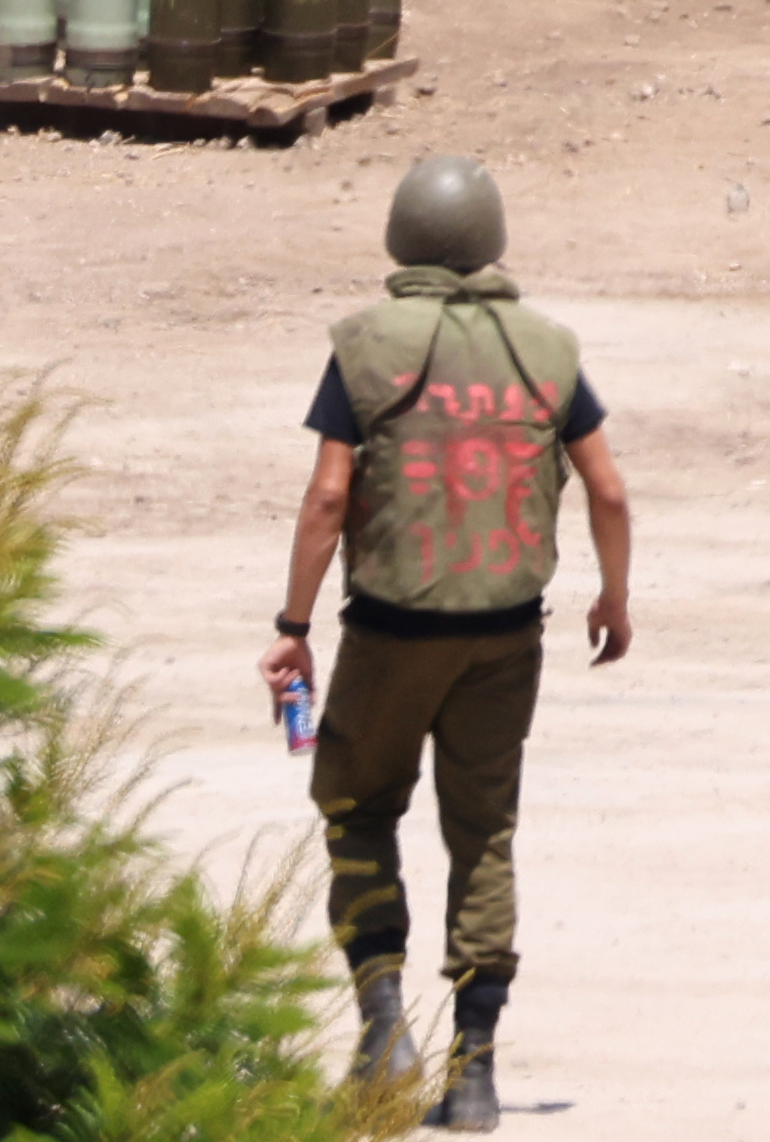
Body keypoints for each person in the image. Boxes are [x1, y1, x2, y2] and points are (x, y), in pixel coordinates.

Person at [272, 153, 640, 1118]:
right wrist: (613, 597)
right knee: (484, 833)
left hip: (391, 633)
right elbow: (607, 487)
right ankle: (474, 1071)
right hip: (507, 635)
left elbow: (326, 496)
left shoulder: (364, 344)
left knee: (358, 809)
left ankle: (384, 1025)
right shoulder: (547, 348)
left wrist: (293, 627)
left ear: (400, 237)